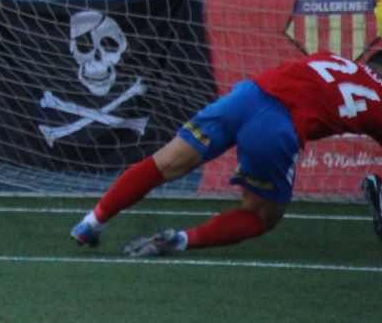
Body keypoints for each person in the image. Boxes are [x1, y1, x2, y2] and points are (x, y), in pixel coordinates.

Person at [70, 51, 382, 257]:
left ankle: (90, 223)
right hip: (276, 125)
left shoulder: (335, 59)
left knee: (163, 164)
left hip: (246, 96)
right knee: (261, 217)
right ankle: (180, 240)